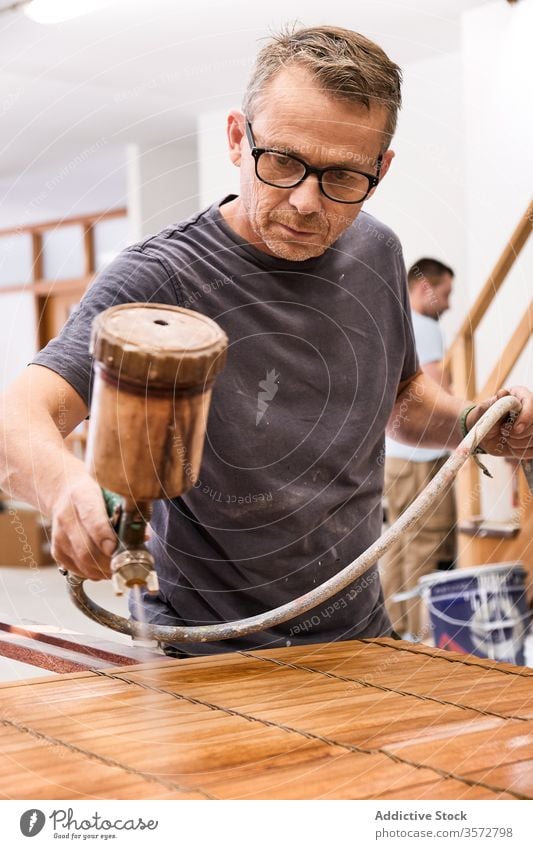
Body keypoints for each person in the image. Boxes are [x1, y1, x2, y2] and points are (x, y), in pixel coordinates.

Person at [0, 26, 532, 658]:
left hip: (358, 634)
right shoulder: (161, 277)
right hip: (200, 650)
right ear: (236, 138)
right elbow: (19, 415)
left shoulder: (376, 252)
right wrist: (63, 488)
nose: (307, 202)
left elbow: (401, 402)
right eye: (281, 161)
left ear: (381, 170)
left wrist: (480, 424)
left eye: (343, 176)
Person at [380, 258, 456, 641]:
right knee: (424, 542)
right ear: (426, 288)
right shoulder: (425, 327)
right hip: (422, 456)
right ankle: (416, 636)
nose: (449, 303)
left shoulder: (395, 322)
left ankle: (394, 628)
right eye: (446, 293)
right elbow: (438, 392)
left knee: (396, 540)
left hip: (393, 455)